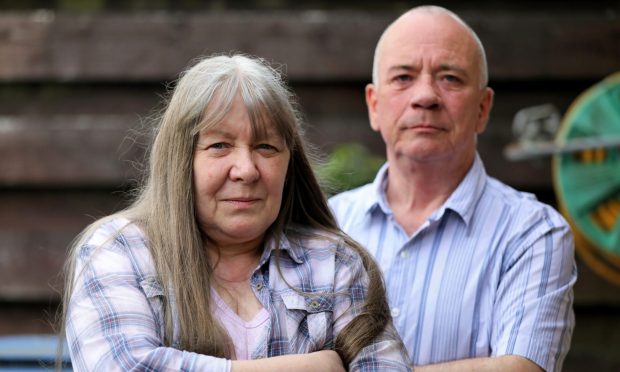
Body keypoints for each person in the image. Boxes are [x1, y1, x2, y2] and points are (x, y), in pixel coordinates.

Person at [60, 54, 410, 371]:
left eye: (266, 146)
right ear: (180, 161)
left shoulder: (334, 265)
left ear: (290, 163)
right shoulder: (120, 253)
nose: (246, 169)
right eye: (219, 146)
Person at [328, 6, 576, 372]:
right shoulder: (328, 224)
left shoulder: (534, 233)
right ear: (374, 105)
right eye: (403, 77)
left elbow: (522, 370)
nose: (425, 95)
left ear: (483, 108)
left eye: (450, 78)